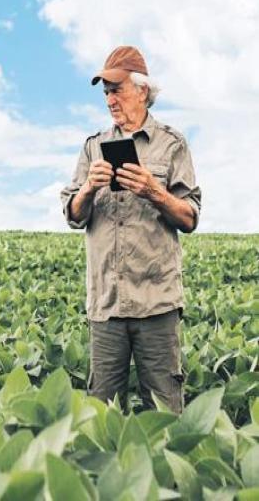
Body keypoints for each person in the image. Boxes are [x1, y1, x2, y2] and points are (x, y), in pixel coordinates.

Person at [60, 46, 202, 413]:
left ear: (142, 90)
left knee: (165, 412)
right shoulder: (93, 147)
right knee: (100, 414)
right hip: (106, 305)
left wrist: (153, 191)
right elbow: (73, 215)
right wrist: (88, 188)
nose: (110, 99)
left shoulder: (172, 144)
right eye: (106, 92)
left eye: (116, 89)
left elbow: (189, 218)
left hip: (157, 304)